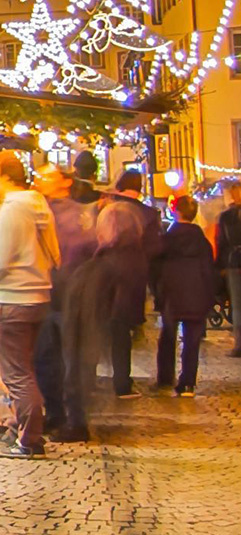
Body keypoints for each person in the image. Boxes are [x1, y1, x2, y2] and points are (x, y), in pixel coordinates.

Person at [0, 152, 60, 458]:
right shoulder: (37, 205)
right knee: (25, 370)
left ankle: (29, 440)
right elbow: (54, 254)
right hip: (36, 297)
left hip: (12, 299)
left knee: (17, 374)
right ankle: (23, 430)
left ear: (4, 175)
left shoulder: (10, 212)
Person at [33, 165, 95, 442]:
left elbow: (77, 251)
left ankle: (76, 420)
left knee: (72, 358)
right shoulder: (39, 209)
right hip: (49, 291)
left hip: (70, 292)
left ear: (65, 182)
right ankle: (55, 412)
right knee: (45, 356)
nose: (39, 180)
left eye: (46, 176)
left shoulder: (73, 214)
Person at [96, 170, 162, 399]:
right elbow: (155, 248)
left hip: (101, 272)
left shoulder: (105, 206)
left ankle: (90, 377)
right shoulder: (149, 214)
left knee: (96, 323)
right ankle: (122, 382)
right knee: (122, 329)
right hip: (132, 275)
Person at [153, 195, 216, 396]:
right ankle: (187, 382)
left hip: (171, 294)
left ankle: (165, 377)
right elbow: (209, 271)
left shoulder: (166, 241)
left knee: (168, 336)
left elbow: (156, 270)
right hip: (197, 295)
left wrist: (157, 291)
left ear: (175, 211)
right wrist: (210, 295)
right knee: (193, 340)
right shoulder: (202, 243)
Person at [213, 181, 241, 357]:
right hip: (234, 264)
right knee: (237, 306)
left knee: (238, 305)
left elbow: (221, 242)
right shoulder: (226, 216)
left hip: (234, 263)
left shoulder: (227, 217)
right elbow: (220, 242)